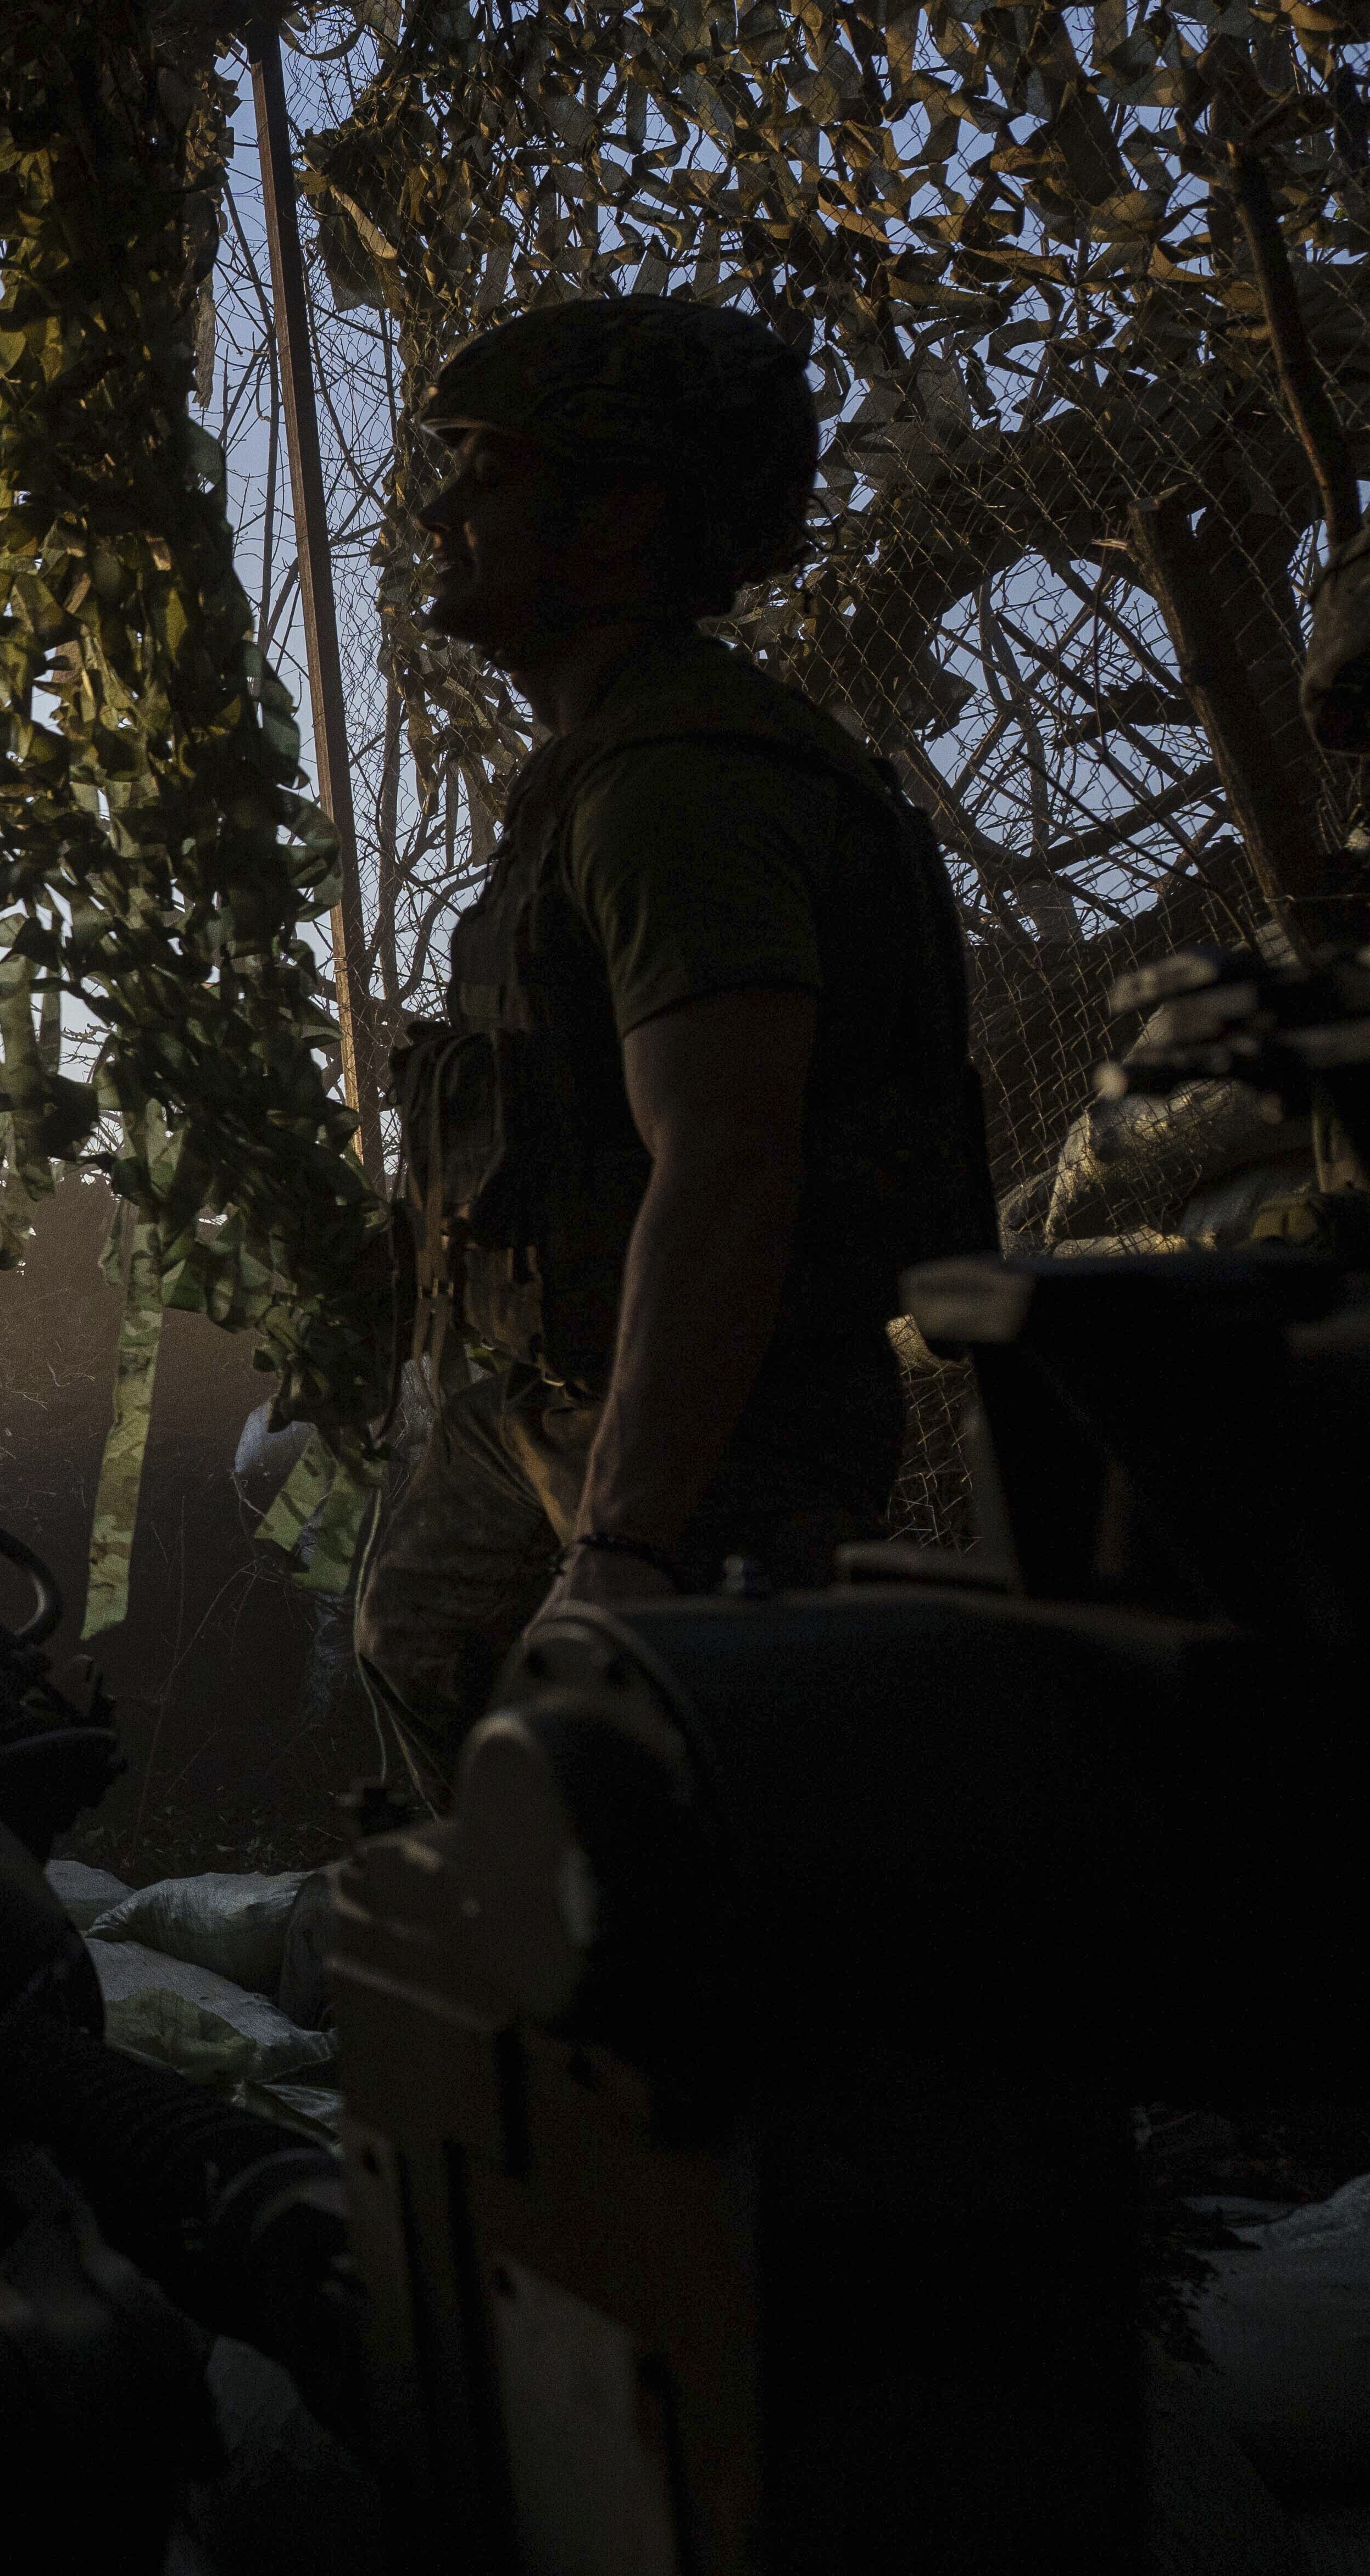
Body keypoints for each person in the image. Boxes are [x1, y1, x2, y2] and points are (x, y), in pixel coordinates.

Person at [359, 297, 995, 1807]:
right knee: (435, 1673)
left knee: (679, 1843)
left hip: (704, 1447)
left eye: (483, 472)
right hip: (550, 1399)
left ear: (617, 514)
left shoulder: (680, 792)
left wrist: (625, 1543)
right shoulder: (598, 775)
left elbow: (723, 1158)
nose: (439, 510)